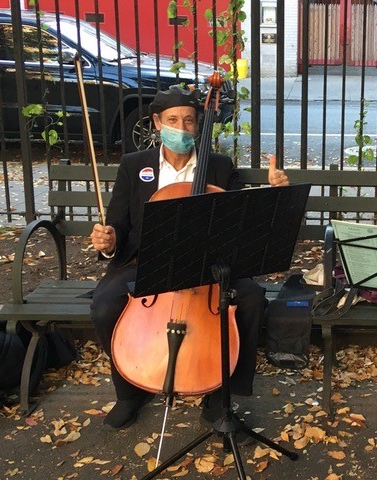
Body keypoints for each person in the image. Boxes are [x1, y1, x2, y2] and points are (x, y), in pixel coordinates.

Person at [89, 85, 289, 434]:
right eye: (172, 120)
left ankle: (222, 398)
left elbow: (242, 220)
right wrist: (109, 240)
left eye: (189, 121)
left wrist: (276, 195)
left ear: (199, 125)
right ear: (156, 123)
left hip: (208, 264)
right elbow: (118, 223)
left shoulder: (219, 166)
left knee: (252, 299)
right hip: (146, 262)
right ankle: (130, 391)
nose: (181, 128)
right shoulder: (134, 166)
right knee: (104, 304)